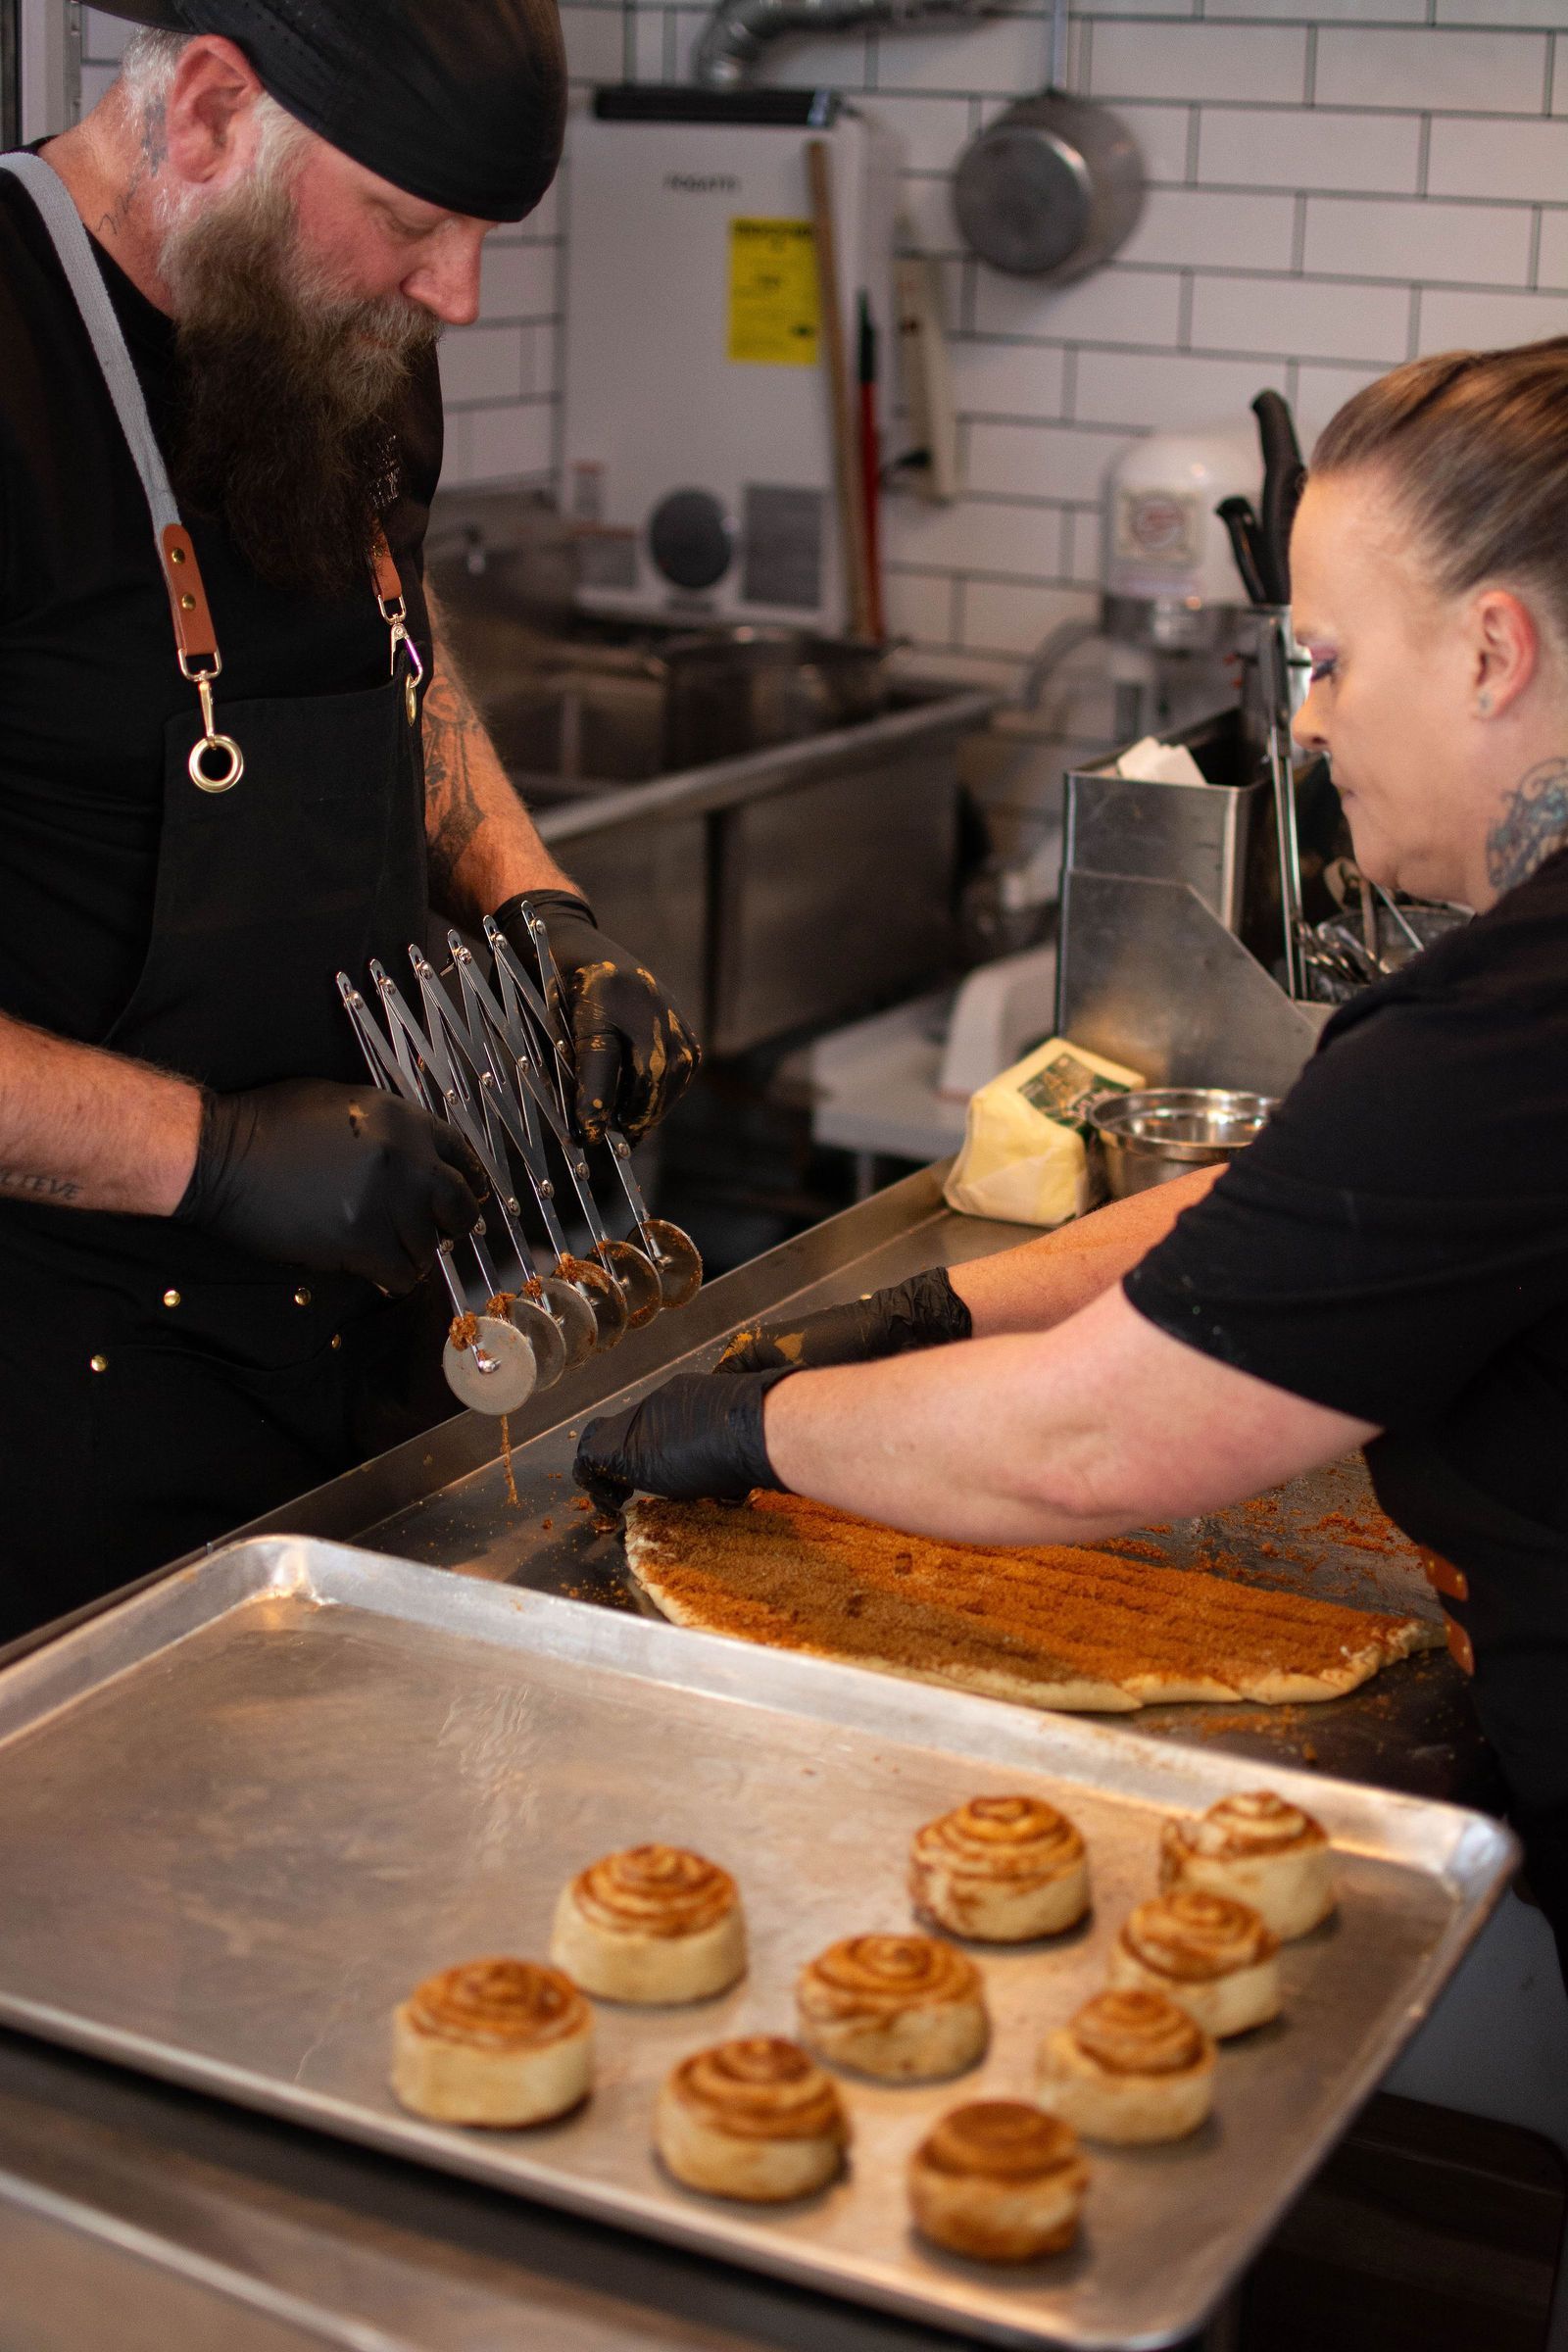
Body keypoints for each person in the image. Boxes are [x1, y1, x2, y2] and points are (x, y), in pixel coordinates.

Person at [578, 338, 1568, 1976]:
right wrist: (936, 1317)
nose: (1308, 726)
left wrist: (750, 1424)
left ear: (1490, 649)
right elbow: (1304, 1202)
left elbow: (1088, 1444)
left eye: (1324, 662)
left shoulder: (1518, 1024)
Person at [0, 1, 698, 1642]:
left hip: (355, 1340)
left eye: (475, 236)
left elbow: (392, 648)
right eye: (409, 222)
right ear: (211, 110)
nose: (455, 293)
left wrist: (537, 902)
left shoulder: (325, 317)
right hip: (49, 1404)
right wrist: (216, 1155)